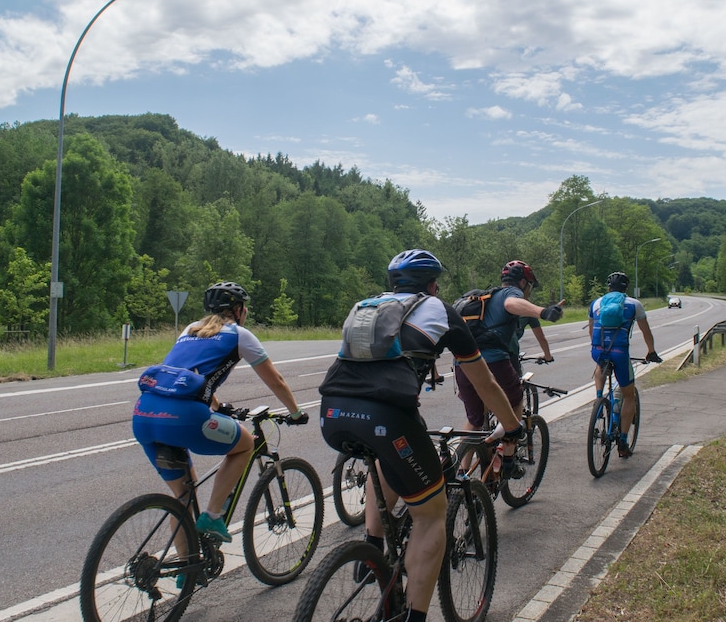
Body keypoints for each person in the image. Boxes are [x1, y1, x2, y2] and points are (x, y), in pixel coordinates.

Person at [318, 249, 523, 622]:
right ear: (431, 284)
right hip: (388, 418)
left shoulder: (366, 307)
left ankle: (372, 548)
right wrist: (512, 426)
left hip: (331, 413)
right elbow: (487, 384)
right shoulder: (442, 311)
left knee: (385, 453)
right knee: (431, 515)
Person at [132, 281, 308, 543]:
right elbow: (276, 381)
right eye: (244, 307)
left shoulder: (190, 329)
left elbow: (189, 373)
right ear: (238, 310)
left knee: (183, 499)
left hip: (144, 416)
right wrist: (295, 412)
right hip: (184, 417)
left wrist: (218, 405)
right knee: (246, 444)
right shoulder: (239, 334)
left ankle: (185, 573)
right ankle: (213, 516)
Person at [454, 260, 563, 475]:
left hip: (462, 365)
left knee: (474, 420)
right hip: (495, 362)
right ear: (523, 282)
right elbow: (512, 305)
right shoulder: (509, 294)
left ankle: (461, 473)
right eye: (529, 286)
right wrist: (543, 312)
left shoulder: (485, 297)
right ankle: (508, 459)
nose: (528, 290)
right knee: (515, 399)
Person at [587, 271, 661, 457]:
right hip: (619, 352)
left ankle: (598, 399)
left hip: (598, 350)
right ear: (625, 289)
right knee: (629, 395)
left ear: (608, 287)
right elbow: (646, 331)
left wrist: (600, 348)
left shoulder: (596, 303)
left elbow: (591, 331)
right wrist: (651, 351)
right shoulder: (634, 304)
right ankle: (623, 441)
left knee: (600, 365)